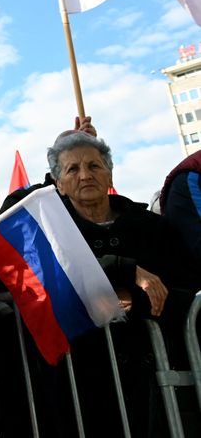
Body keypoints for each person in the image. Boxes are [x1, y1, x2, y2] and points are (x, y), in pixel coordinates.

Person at [47, 131, 198, 436]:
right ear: (58, 184)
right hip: (86, 385)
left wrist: (134, 298)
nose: (85, 175)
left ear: (110, 173)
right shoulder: (53, 237)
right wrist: (126, 271)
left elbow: (187, 291)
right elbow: (63, 286)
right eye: (72, 169)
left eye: (94, 166)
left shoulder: (153, 228)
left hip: (161, 375)